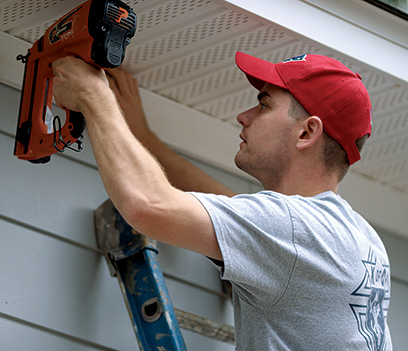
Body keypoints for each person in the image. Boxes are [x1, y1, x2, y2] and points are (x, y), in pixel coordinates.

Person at [52, 52, 392, 350]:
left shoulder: (293, 230)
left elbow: (149, 205)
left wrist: (93, 95)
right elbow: (236, 216)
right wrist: (145, 140)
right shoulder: (359, 238)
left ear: (306, 133)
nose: (244, 116)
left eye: (264, 104)